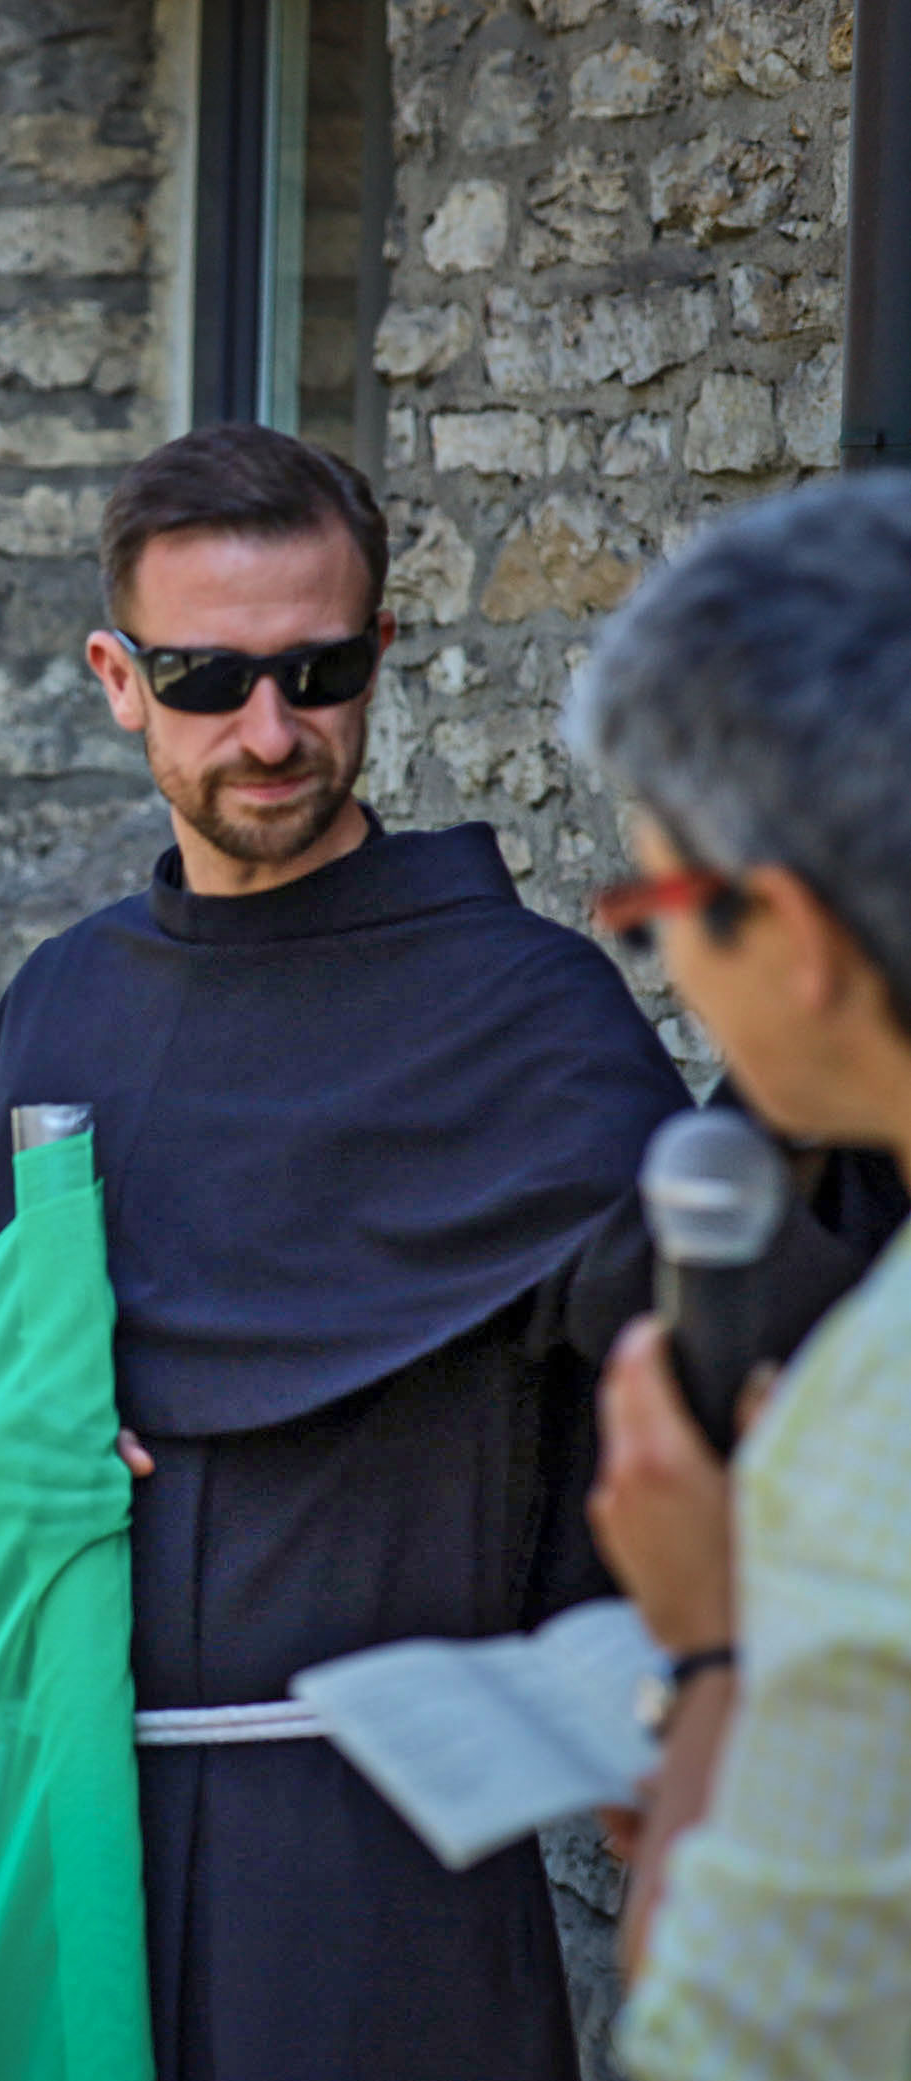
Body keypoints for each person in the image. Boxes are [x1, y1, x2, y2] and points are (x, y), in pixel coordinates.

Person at [0, 423, 694, 2081]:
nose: (267, 732)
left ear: (381, 652)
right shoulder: (59, 1008)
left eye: (316, 672)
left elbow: (695, 1412)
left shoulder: (527, 1024)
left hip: (386, 1877)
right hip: (70, 1847)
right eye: (205, 679)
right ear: (116, 676)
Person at [566, 476, 911, 2081]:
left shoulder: (875, 1419)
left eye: (648, 918)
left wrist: (711, 1649)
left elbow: (738, 2038)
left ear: (784, 930)